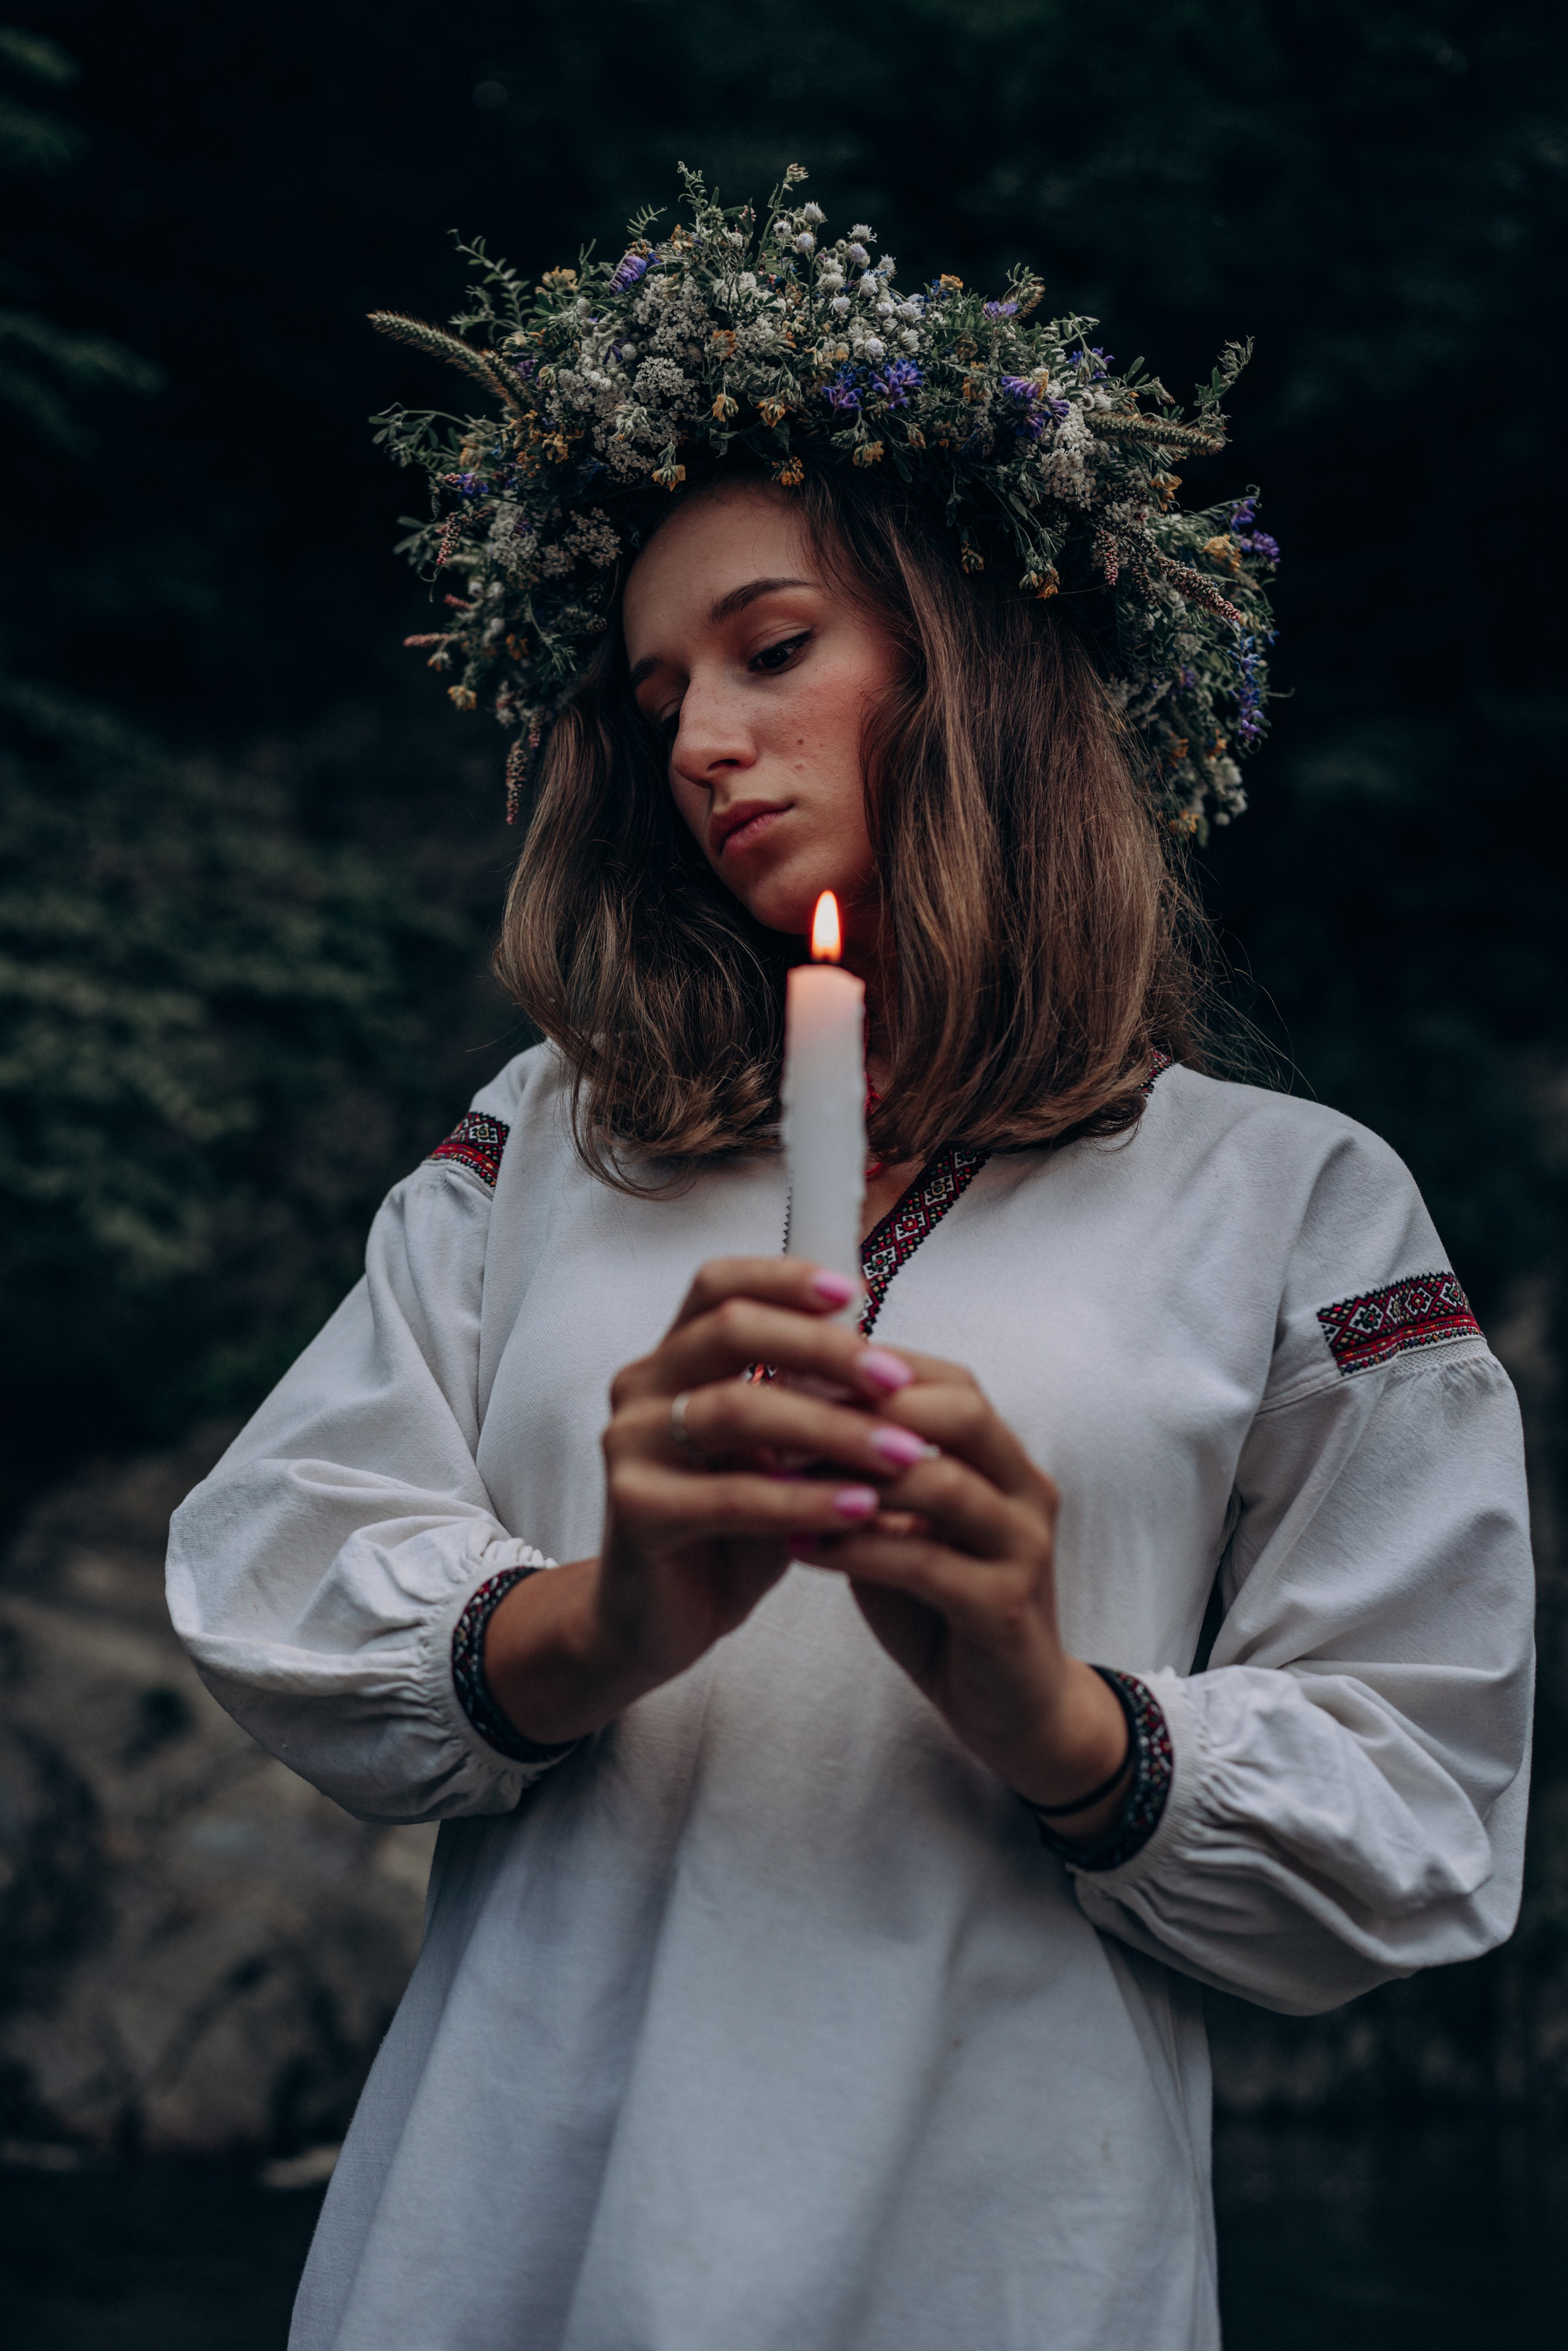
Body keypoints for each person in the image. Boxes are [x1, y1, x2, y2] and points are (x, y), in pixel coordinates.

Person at [167, 172, 1534, 2351]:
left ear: (982, 660)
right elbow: (274, 1564)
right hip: (511, 2224)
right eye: (653, 692)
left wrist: (1056, 1707)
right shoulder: (551, 1137)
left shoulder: (1294, 1201)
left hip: (995, 2245)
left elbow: (1427, 1806)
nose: (700, 740)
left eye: (773, 648)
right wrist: (598, 1615)